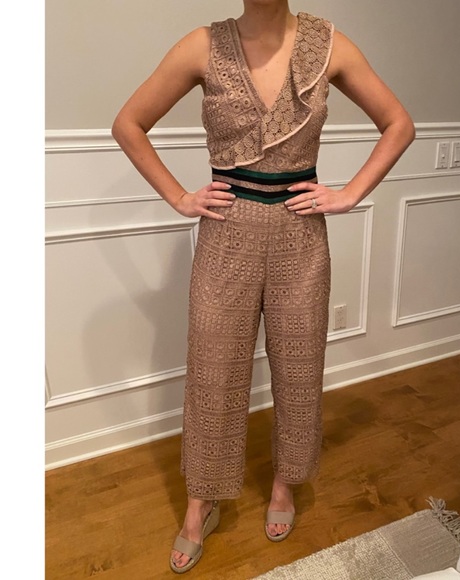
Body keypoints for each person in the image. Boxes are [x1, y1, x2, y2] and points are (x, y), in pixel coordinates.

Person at [112, 0, 415, 574]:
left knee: (299, 367)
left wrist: (350, 193)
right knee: (213, 371)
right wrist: (180, 197)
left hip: (301, 232)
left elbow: (399, 123)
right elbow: (128, 123)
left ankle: (285, 483)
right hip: (226, 231)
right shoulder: (203, 45)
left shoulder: (329, 45)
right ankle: (201, 501)